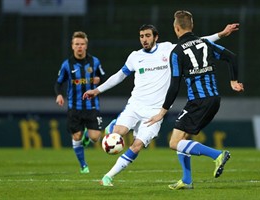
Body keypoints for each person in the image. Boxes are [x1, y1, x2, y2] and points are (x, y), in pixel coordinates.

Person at [83, 22, 239, 186]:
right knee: (117, 133)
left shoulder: (168, 49)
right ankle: (113, 127)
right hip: (135, 106)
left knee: (136, 146)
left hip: (155, 113)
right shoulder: (135, 56)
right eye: (142, 36)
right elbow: (119, 76)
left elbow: (196, 43)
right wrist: (97, 90)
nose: (144, 39)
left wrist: (221, 34)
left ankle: (108, 177)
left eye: (148, 35)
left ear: (156, 37)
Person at [146, 10, 244, 190]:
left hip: (198, 101)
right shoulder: (205, 43)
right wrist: (233, 81)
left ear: (176, 28)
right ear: (192, 26)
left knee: (174, 143)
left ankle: (218, 155)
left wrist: (162, 112)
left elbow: (174, 86)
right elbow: (232, 57)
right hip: (214, 99)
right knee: (181, 138)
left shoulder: (176, 52)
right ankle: (187, 180)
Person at [55, 31, 105, 174]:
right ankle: (83, 165)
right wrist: (59, 95)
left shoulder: (95, 62)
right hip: (74, 107)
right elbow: (58, 83)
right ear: (72, 46)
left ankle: (86, 139)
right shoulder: (67, 65)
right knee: (76, 136)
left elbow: (102, 76)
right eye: (77, 44)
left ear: (86, 46)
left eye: (82, 44)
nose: (79, 47)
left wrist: (98, 79)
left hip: (92, 106)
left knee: (95, 138)